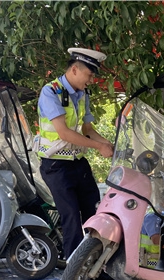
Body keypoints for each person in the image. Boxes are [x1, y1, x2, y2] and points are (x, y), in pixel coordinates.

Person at [37, 48, 114, 259]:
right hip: (56, 166)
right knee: (71, 216)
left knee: (94, 211)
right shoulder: (50, 92)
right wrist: (98, 147)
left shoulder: (82, 95)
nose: (91, 81)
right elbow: (64, 133)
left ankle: (96, 264)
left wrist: (109, 144)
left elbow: (88, 130)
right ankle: (73, 267)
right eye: (89, 75)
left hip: (77, 162)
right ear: (74, 70)